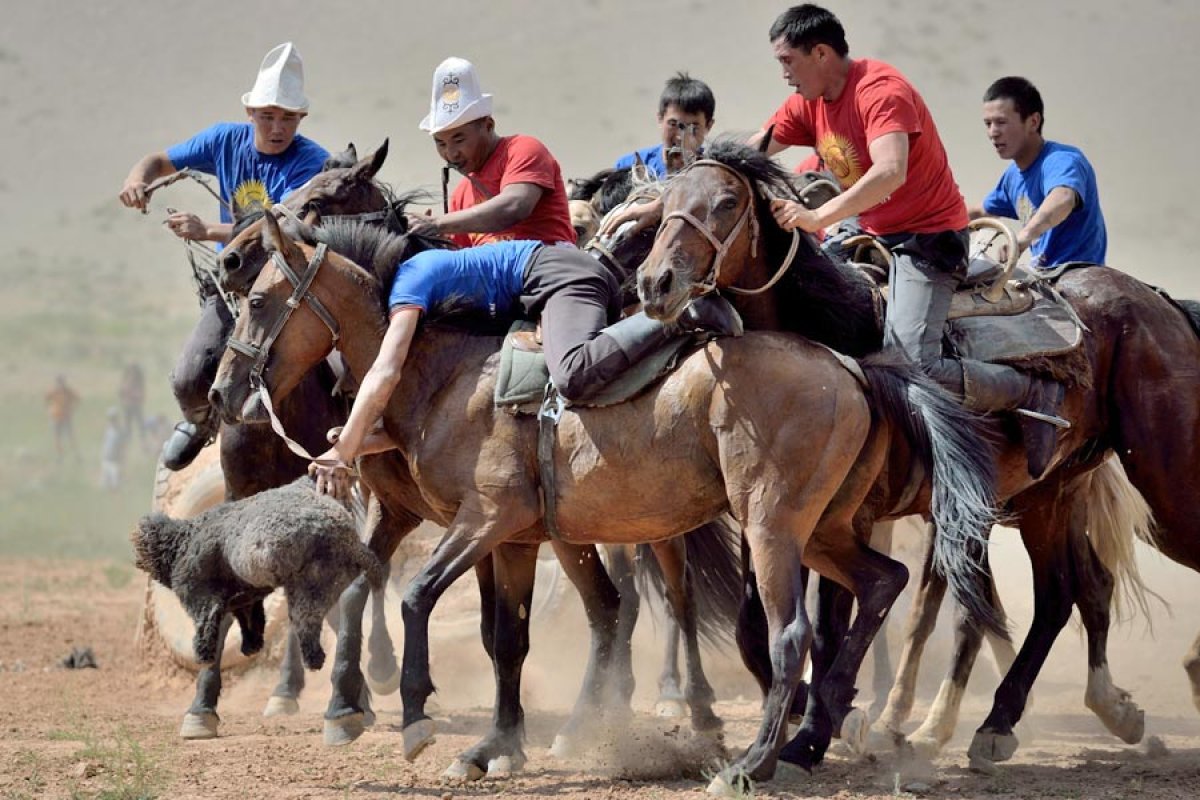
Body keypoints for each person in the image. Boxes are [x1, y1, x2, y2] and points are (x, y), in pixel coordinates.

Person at [602, 4, 1064, 479]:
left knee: (911, 363)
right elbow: (739, 163)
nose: (783, 73)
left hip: (927, 241)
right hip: (868, 232)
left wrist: (816, 215)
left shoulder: (881, 91)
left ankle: (1023, 389)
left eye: (787, 61)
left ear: (820, 53)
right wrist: (661, 207)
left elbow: (890, 171)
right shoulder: (808, 102)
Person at [118, 43, 329, 470]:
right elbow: (161, 160)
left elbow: (279, 227)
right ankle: (200, 423)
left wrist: (206, 231)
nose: (276, 127)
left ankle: (363, 443)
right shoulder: (223, 140)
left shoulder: (313, 163)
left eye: (287, 117)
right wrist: (137, 178)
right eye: (267, 116)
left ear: (300, 119)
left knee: (345, 370)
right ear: (250, 113)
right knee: (188, 376)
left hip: (290, 290)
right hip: (233, 287)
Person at [408, 57, 575, 249]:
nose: (451, 153)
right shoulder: (461, 194)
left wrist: (437, 224)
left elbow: (514, 206)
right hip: (490, 275)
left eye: (459, 139)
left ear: (488, 125)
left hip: (545, 262)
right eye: (440, 143)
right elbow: (458, 255)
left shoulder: (523, 148)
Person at [969, 76, 1107, 270]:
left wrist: (1022, 238)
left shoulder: (1063, 160)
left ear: (1033, 122)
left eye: (1001, 122)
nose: (993, 132)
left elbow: (1063, 198)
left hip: (1078, 274)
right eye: (988, 124)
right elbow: (981, 212)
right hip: (1042, 277)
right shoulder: (1013, 176)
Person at [613, 72, 716, 179]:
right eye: (673, 124)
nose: (680, 137)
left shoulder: (716, 174)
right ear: (660, 119)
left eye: (693, 127)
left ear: (708, 126)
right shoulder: (628, 169)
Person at [45, 375, 80, 463]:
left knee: (70, 437)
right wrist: (50, 410)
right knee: (57, 438)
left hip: (66, 417)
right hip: (55, 417)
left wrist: (73, 409)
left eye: (61, 382)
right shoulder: (53, 391)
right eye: (58, 382)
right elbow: (46, 399)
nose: (60, 384)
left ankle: (76, 455)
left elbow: (78, 399)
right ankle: (60, 456)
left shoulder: (68, 391)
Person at [99, 408, 128, 490]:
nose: (112, 420)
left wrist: (122, 459)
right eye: (111, 418)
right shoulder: (107, 430)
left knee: (116, 486)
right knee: (104, 486)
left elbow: (123, 447)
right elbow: (104, 443)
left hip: (115, 462)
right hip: (106, 460)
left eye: (114, 418)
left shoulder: (120, 431)